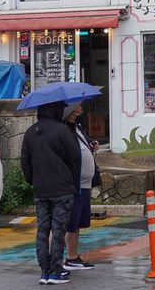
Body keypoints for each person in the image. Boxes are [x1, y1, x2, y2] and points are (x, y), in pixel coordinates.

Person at [21, 100, 79, 285]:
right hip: (62, 189)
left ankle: (44, 271)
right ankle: (55, 270)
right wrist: (67, 175)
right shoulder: (62, 130)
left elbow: (25, 162)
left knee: (42, 231)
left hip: (41, 191)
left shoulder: (30, 132)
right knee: (59, 230)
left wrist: (33, 180)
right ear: (55, 110)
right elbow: (74, 157)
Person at [63, 102, 98, 271]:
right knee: (69, 223)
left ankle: (73, 257)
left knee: (76, 223)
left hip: (85, 184)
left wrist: (91, 146)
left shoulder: (77, 126)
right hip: (74, 184)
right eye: (77, 107)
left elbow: (83, 145)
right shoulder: (64, 129)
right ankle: (62, 259)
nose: (80, 110)